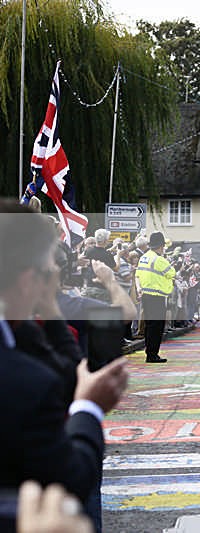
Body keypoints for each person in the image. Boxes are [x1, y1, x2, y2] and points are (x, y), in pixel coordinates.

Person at [0, 200, 128, 521]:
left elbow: (68, 371)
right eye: (45, 273)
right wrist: (89, 408)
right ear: (29, 279)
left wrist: (51, 309)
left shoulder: (22, 331)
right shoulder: (29, 383)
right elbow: (74, 476)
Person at [134, 232, 175, 363]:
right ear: (161, 246)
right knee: (157, 327)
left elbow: (138, 275)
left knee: (149, 325)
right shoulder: (160, 260)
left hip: (146, 295)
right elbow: (172, 273)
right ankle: (153, 354)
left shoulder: (144, 257)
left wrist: (139, 289)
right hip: (157, 296)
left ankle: (149, 352)